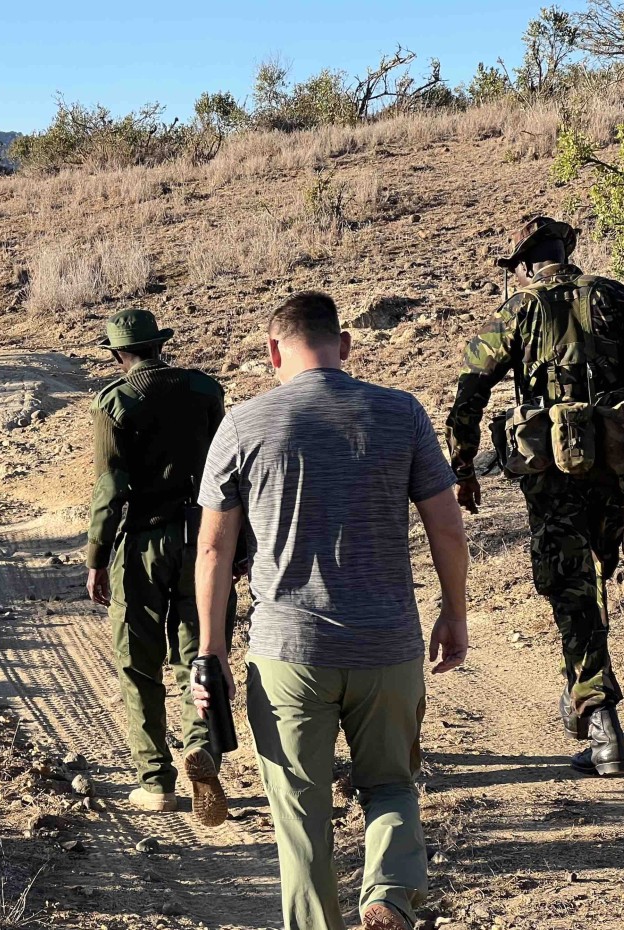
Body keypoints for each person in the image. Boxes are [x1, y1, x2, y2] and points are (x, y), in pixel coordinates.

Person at [192, 291, 470, 930]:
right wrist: (454, 613)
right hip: (387, 648)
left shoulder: (243, 424)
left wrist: (211, 651)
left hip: (288, 652)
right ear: (344, 346)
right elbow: (447, 529)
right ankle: (390, 895)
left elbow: (212, 548)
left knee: (300, 816)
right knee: (392, 786)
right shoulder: (400, 413)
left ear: (272, 352)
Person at [445, 214, 624, 777]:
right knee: (591, 577)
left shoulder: (520, 309)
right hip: (616, 472)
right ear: (566, 250)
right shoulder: (615, 296)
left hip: (551, 477)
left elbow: (471, 388)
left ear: (525, 263)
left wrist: (463, 464)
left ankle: (600, 717)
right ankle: (585, 690)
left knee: (570, 588)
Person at [84, 306, 233, 824]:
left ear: (119, 354)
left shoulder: (115, 402)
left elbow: (111, 489)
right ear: (159, 345)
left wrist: (97, 557)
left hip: (144, 541)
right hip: (204, 539)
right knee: (200, 650)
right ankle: (204, 751)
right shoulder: (205, 391)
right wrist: (242, 547)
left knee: (137, 661)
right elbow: (227, 471)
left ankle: (156, 782)